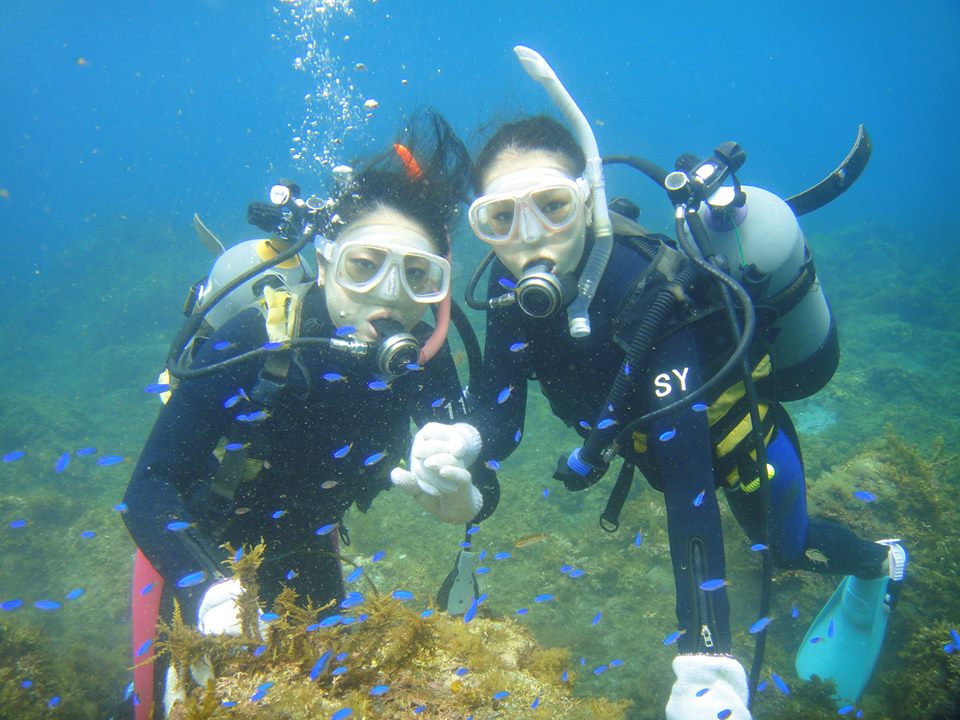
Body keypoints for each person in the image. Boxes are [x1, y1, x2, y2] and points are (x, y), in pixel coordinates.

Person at [416, 48, 906, 720]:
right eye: (500, 219)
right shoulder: (506, 292)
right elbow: (503, 417)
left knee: (786, 547)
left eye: (552, 207)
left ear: (585, 202)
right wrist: (463, 445)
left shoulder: (649, 292)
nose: (528, 240)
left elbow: (687, 483)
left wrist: (708, 662)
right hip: (646, 449)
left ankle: (883, 564)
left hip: (743, 449)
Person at [121, 111, 498, 719]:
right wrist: (205, 584)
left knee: (327, 701)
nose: (391, 293)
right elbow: (149, 488)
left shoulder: (424, 357)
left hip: (313, 546)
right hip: (194, 556)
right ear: (325, 262)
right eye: (363, 263)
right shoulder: (255, 338)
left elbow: (478, 470)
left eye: (419, 274)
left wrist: (469, 496)